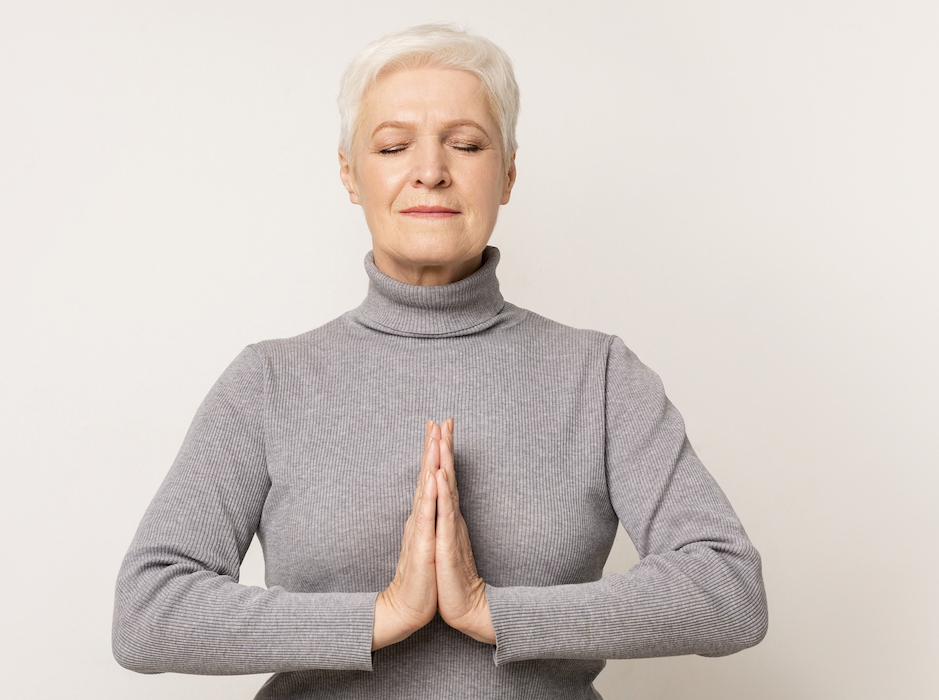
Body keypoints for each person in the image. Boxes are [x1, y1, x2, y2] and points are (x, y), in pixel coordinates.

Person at [113, 23, 767, 699]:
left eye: (467, 143)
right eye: (394, 145)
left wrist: (493, 613)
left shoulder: (598, 376)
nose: (431, 169)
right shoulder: (269, 383)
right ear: (350, 174)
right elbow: (148, 611)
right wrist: (379, 617)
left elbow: (729, 589)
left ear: (508, 173)